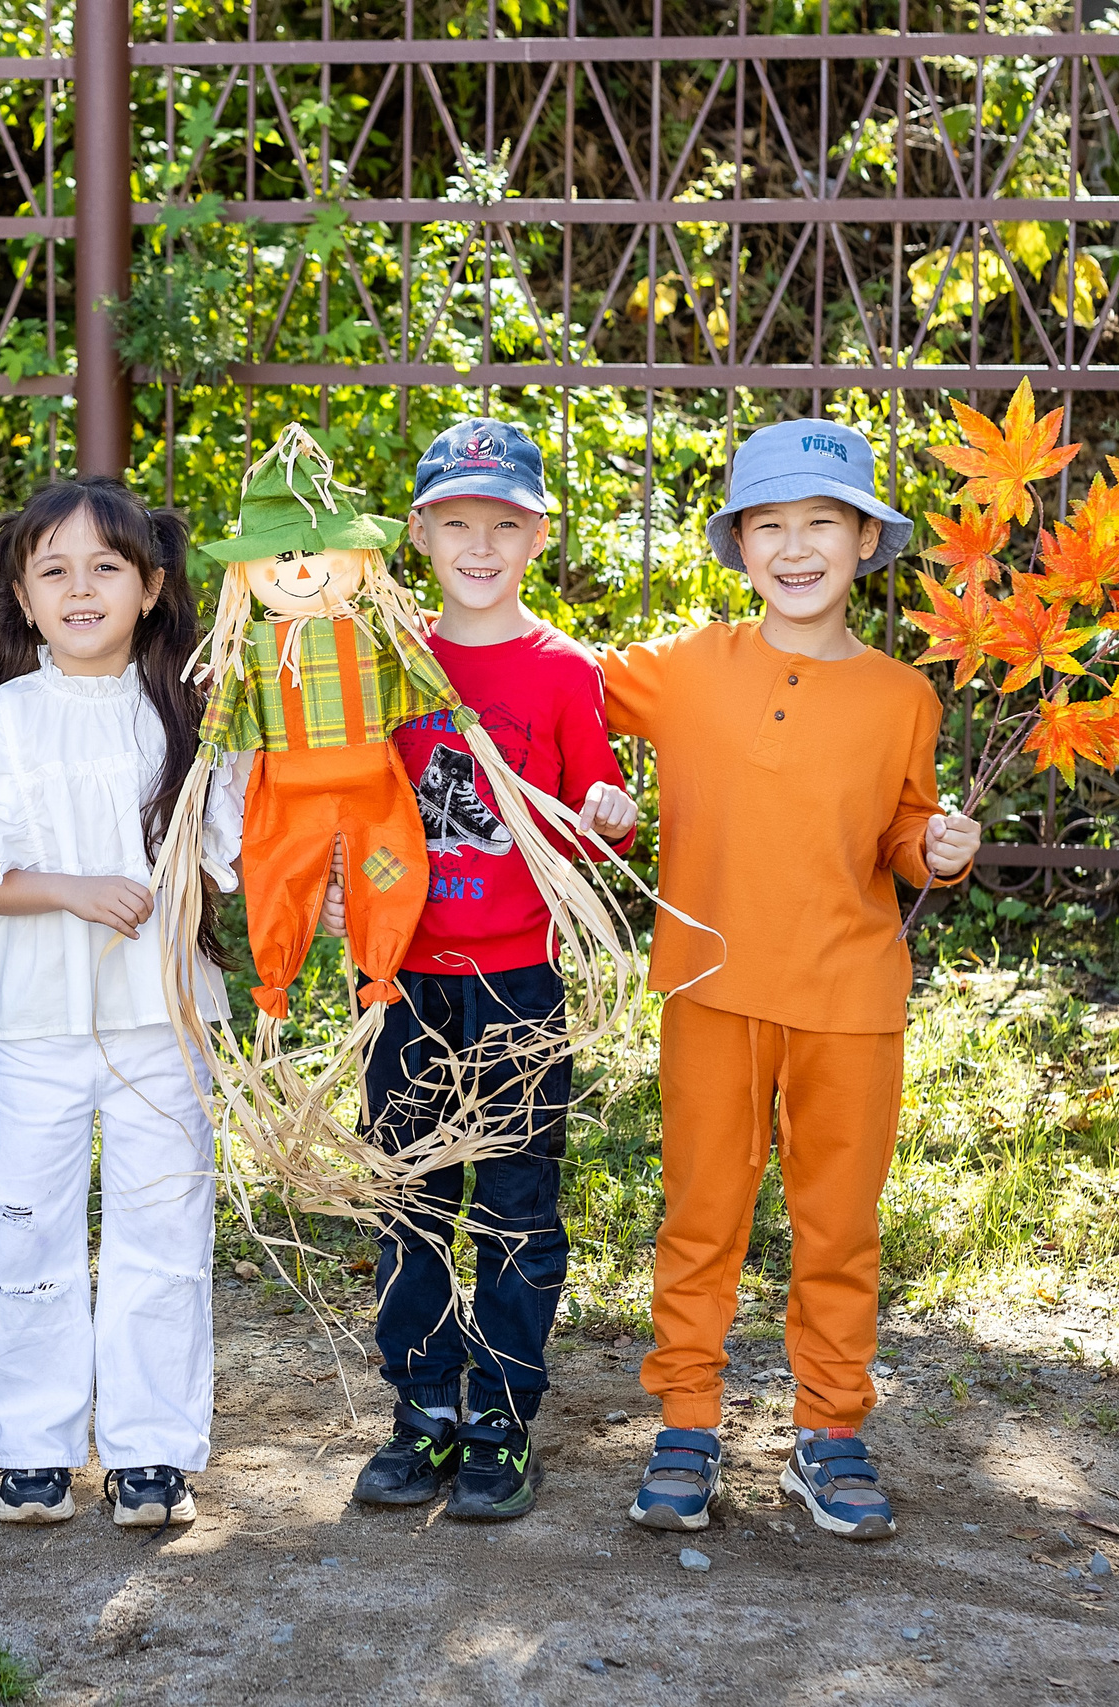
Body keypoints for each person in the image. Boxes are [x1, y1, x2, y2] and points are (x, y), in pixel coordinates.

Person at [598, 416, 982, 1541]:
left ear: (866, 541)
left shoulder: (903, 695)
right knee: (702, 1215)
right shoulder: (682, 669)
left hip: (849, 1001)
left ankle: (830, 1433)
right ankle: (685, 1426)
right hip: (711, 991)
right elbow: (549, 694)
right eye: (769, 524)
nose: (796, 546)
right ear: (738, 545)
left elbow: (903, 835)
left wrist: (937, 851)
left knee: (837, 1227)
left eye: (822, 522)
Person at [0, 479, 241, 1531]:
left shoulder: (197, 717)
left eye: (106, 566)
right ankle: (33, 1447)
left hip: (163, 1022)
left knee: (162, 1232)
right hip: (35, 1021)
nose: (80, 587)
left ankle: (151, 1451)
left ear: (150, 589)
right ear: (22, 593)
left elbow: (239, 859)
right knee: (27, 1233)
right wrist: (69, 888)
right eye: (52, 568)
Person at [336, 419, 639, 1522]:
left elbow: (593, 813)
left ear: (537, 535)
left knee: (515, 1203)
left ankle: (502, 1418)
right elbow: (341, 797)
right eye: (455, 522)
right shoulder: (385, 657)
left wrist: (612, 811)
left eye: (501, 524)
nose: (478, 544)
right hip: (400, 979)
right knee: (409, 1196)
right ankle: (421, 1413)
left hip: (517, 979)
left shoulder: (562, 671)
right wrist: (330, 881)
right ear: (418, 532)